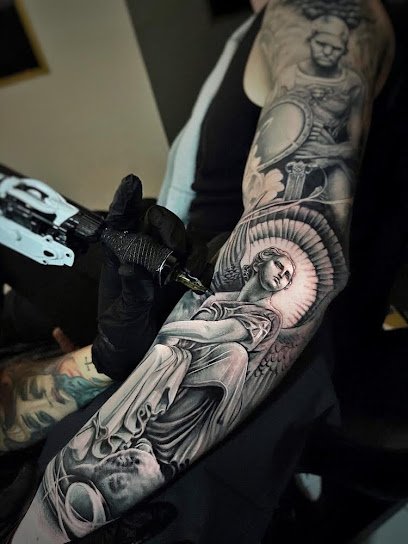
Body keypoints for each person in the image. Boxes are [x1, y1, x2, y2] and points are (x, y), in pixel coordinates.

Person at [4, 1, 404, 543]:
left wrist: (45, 526)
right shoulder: (267, 22)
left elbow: (294, 254)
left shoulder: (323, 13)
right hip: (201, 320)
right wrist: (98, 362)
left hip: (274, 363)